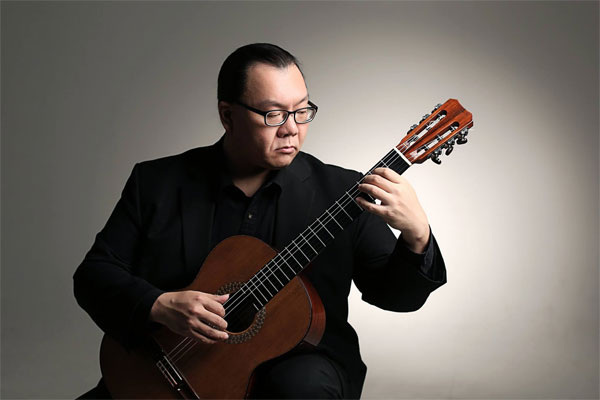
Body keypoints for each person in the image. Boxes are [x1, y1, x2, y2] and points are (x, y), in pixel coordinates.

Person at [74, 43, 447, 399]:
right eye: (273, 115)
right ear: (228, 116)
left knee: (301, 387)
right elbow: (94, 275)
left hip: (299, 370)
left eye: (302, 111)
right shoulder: (158, 183)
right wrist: (159, 305)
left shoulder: (343, 192)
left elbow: (396, 297)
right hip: (171, 367)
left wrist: (417, 235)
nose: (291, 128)